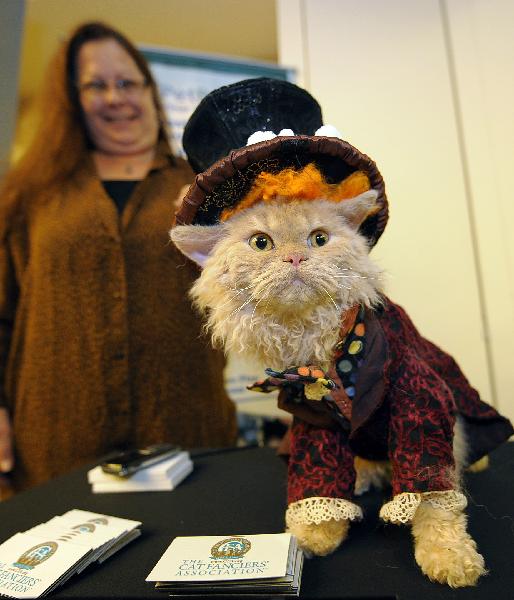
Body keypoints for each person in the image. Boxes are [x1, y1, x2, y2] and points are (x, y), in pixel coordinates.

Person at [0, 21, 237, 496]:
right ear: (73, 99)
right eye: (96, 85)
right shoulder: (31, 196)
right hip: (54, 445)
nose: (115, 97)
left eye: (127, 82)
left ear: (150, 91)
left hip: (188, 436)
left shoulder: (205, 188)